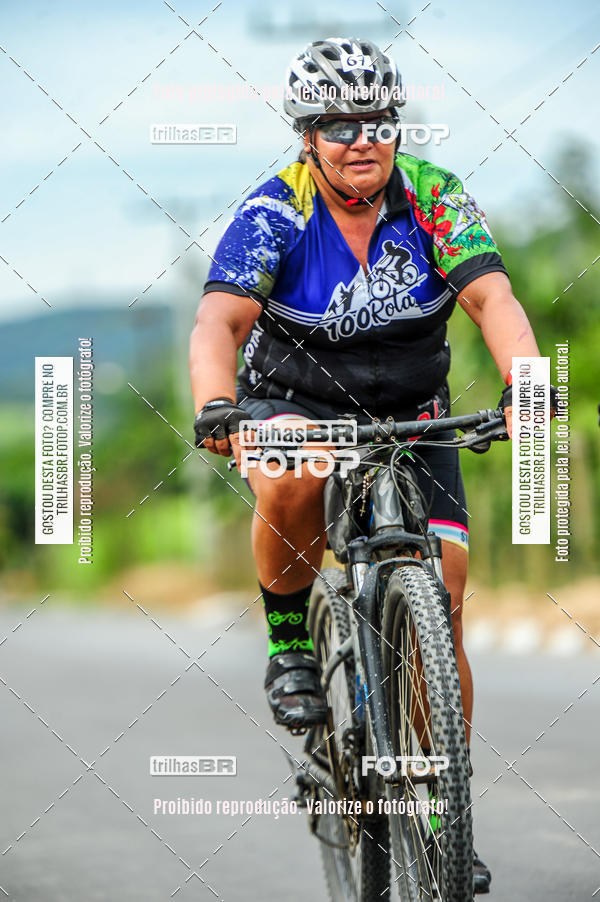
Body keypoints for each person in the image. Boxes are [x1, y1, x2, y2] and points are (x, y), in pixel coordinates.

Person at [189, 37, 545, 894]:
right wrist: (216, 408)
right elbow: (218, 326)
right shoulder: (274, 213)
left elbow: (493, 299)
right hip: (296, 404)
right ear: (307, 134)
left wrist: (527, 389)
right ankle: (289, 644)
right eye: (339, 123)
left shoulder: (433, 196)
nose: (363, 139)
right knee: (290, 478)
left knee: (447, 594)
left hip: (411, 412)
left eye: (378, 120)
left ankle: (438, 806)